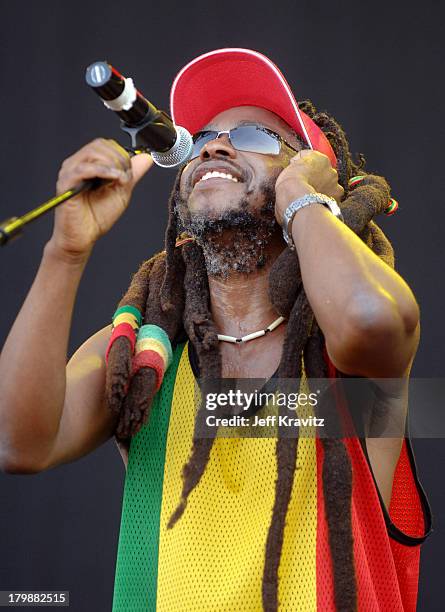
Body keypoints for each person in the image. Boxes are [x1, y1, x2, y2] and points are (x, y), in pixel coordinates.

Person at [0, 48, 432, 612]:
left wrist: (304, 198)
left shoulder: (345, 345)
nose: (214, 144)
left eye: (254, 135)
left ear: (314, 173)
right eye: (201, 134)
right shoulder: (149, 355)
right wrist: (66, 252)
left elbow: (367, 321)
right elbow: (19, 443)